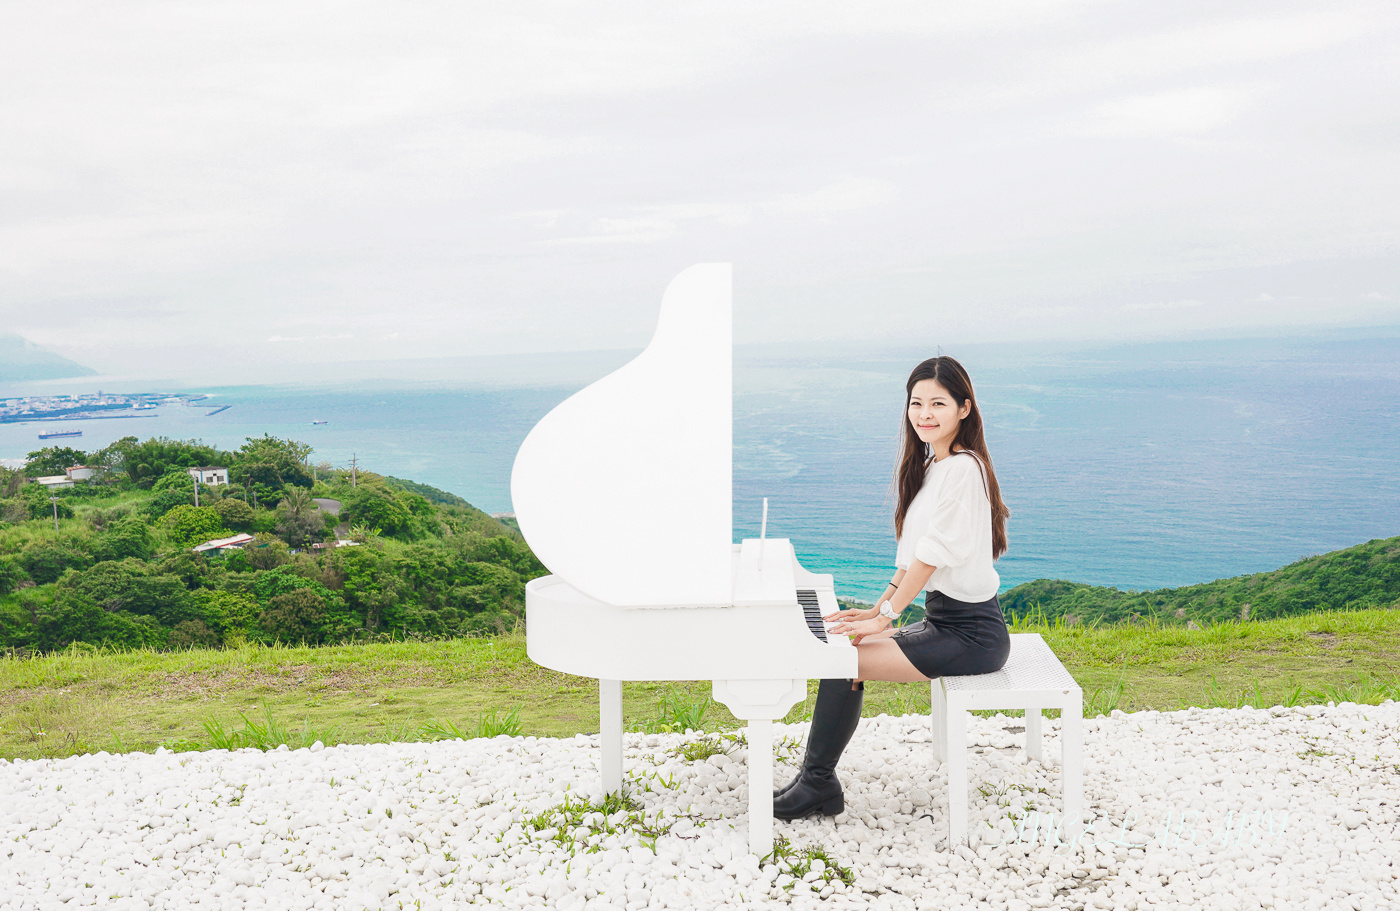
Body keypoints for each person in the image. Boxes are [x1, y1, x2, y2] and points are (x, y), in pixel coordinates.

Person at [773, 355, 1012, 820]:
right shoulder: (933, 466)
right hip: (944, 622)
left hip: (972, 635)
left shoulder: (964, 468)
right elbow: (911, 558)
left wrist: (889, 614)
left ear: (964, 408)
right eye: (917, 402)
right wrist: (880, 606)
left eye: (938, 403)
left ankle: (818, 783)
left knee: (844, 659)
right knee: (848, 642)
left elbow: (932, 555)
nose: (925, 413)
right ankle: (814, 780)